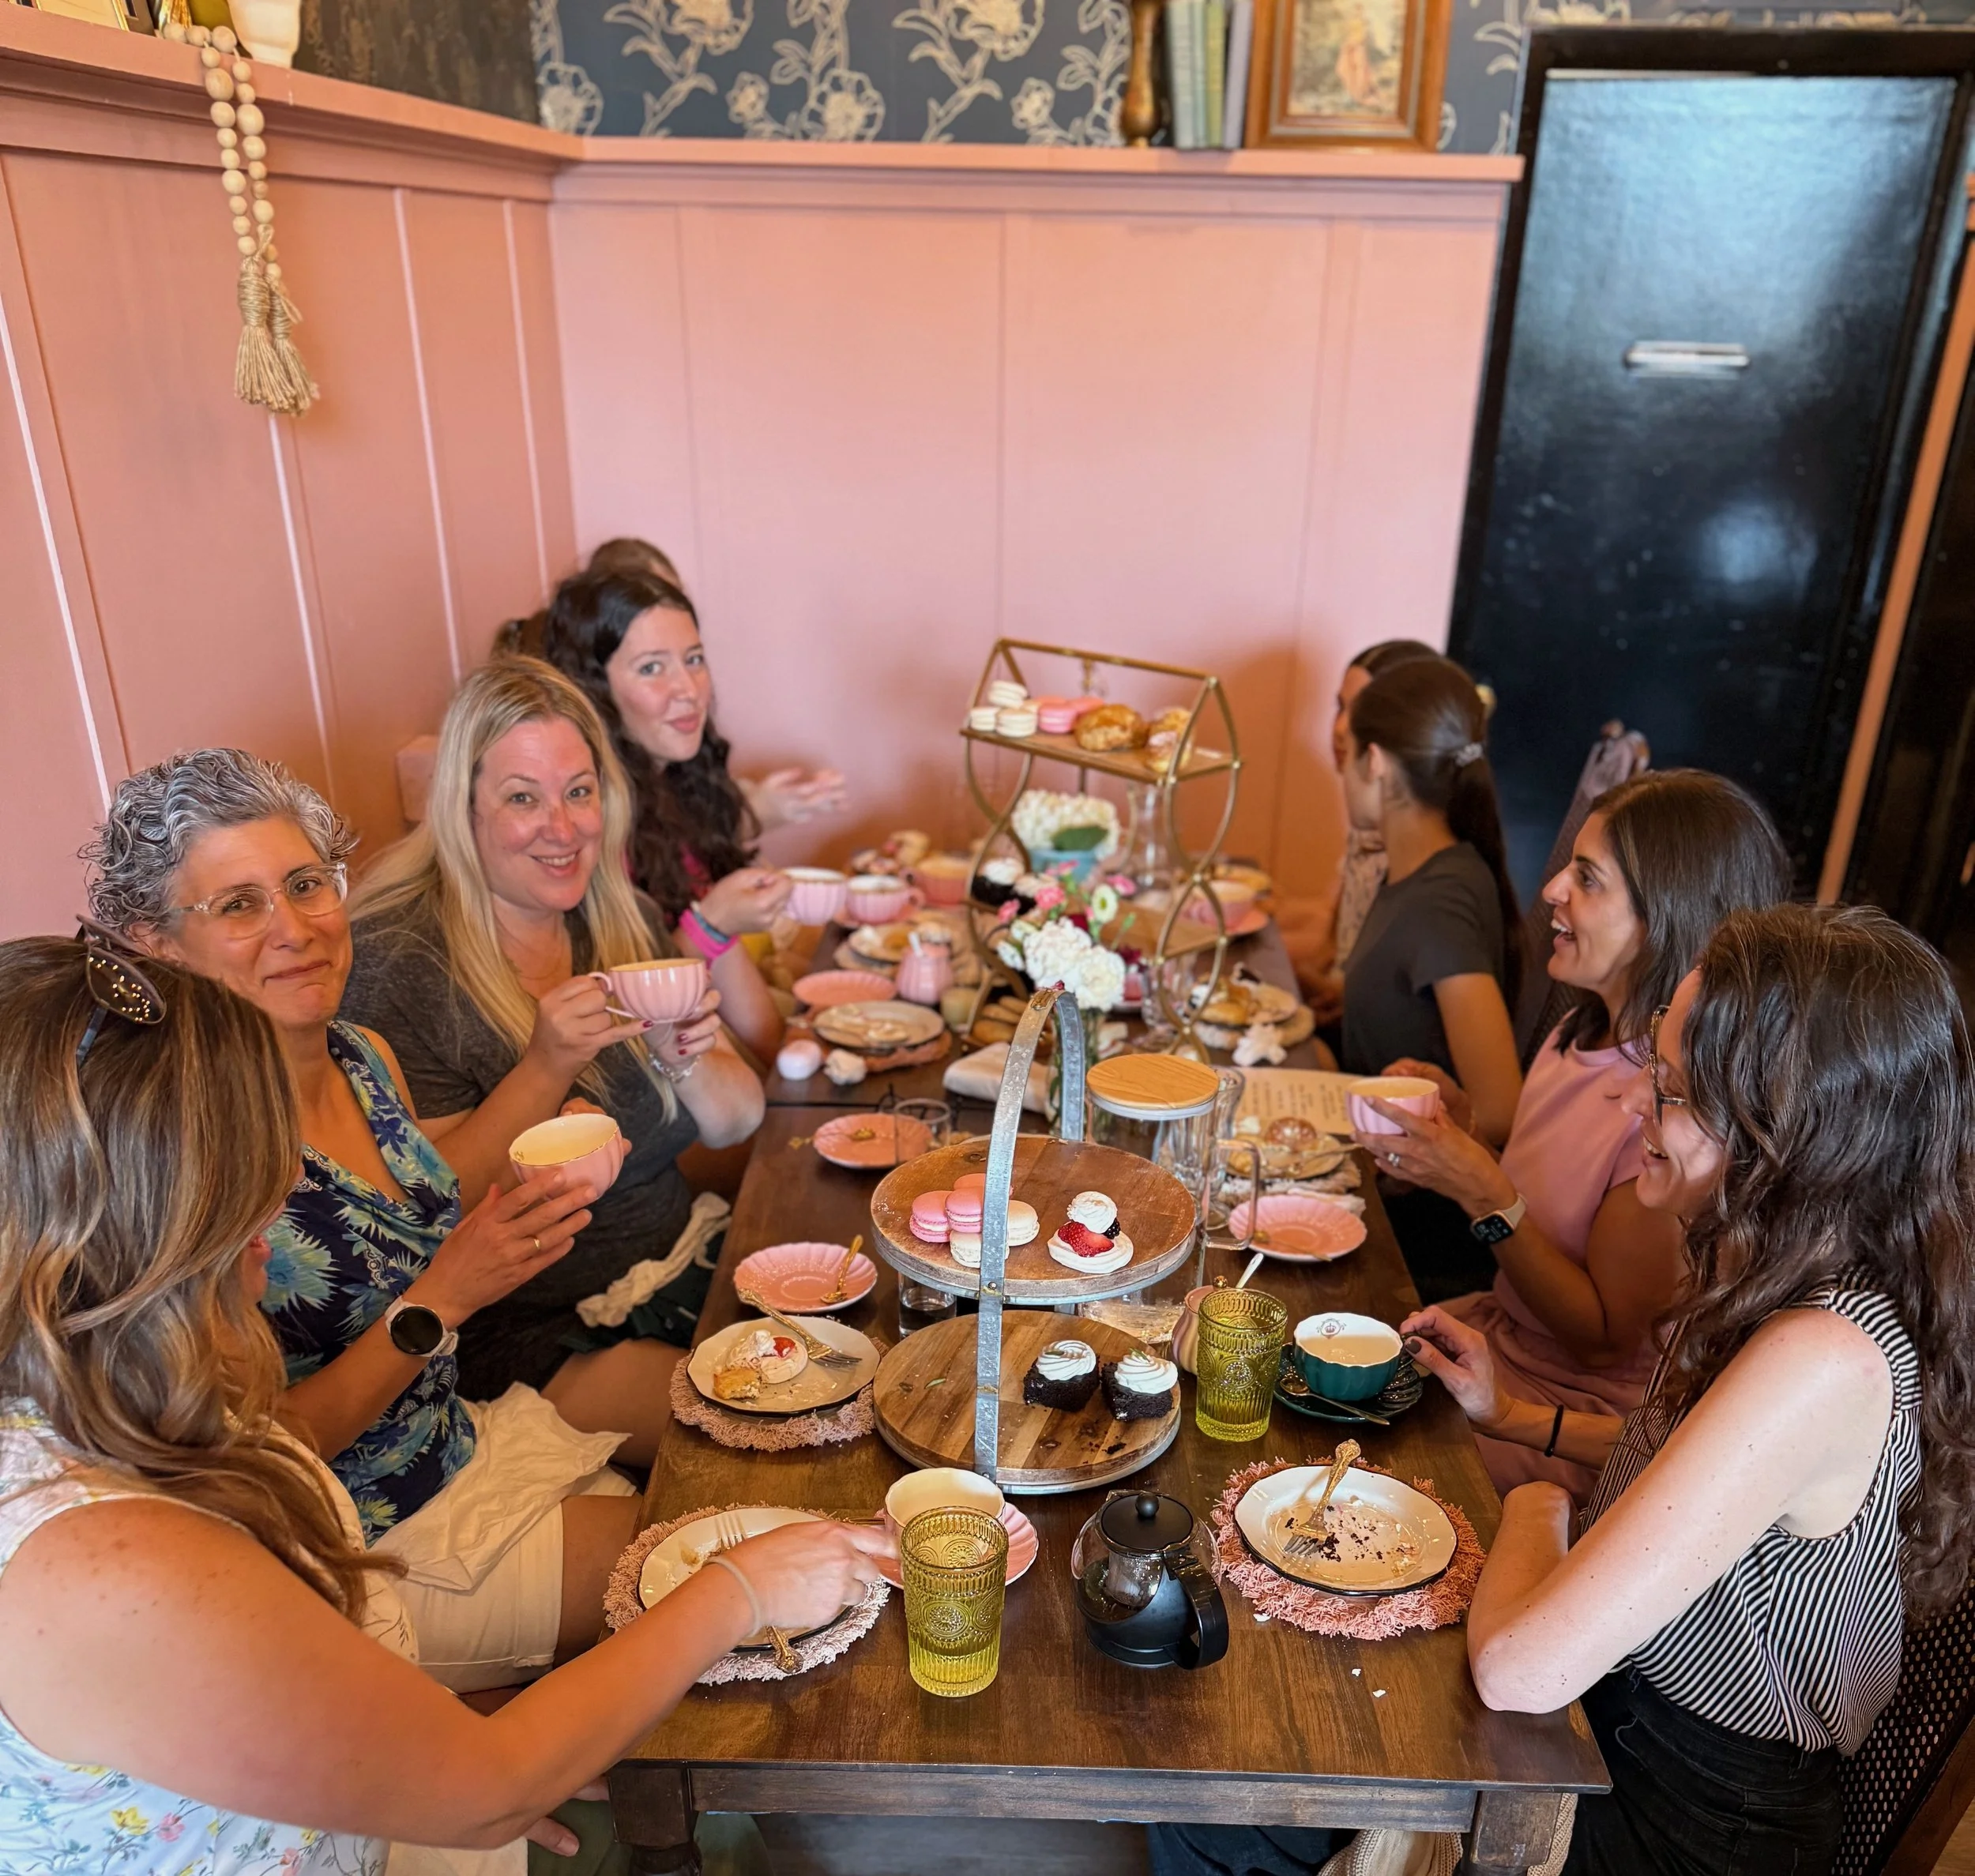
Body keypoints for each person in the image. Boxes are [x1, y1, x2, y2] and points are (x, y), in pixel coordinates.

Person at [0, 934, 888, 1874]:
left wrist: (447, 1728)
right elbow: (485, 1789)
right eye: (243, 1166)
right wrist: (740, 1588)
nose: (281, 1207)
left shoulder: (129, 1373)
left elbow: (266, 1674)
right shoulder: (99, 1558)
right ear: (132, 1215)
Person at [1407, 904, 1975, 1874]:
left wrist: (1538, 1504)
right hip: (1630, 1732)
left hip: (1687, 1818)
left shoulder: (1822, 1352)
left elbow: (1519, 1669)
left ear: (1781, 1129)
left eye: (1667, 1089)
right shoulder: (1789, 1273)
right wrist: (1515, 1416)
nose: (1636, 1109)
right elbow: (1703, 1477)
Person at [83, 747, 657, 1694]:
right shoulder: (188, 1154)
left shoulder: (362, 1054)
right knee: (708, 1561)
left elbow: (432, 1196)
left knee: (724, 1490)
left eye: (306, 883)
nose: (296, 929)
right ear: (155, 943)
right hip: (359, 1545)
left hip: (462, 1444)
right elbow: (255, 1459)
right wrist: (444, 1295)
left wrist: (526, 1197)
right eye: (238, 905)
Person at [343, 657, 766, 1427]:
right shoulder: (398, 962)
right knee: (761, 1421)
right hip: (535, 1331)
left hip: (682, 1259)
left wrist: (685, 1055)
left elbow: (739, 1118)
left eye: (578, 790)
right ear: (462, 810)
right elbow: (432, 1206)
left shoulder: (613, 912)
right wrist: (544, 1065)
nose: (564, 828)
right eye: (522, 799)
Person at [1355, 772, 1793, 1498]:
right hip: (1499, 1337)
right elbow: (1553, 1201)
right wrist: (1459, 1133)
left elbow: (1599, 1336)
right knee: (1315, 1361)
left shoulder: (1673, 1111)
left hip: (1573, 1404)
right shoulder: (1575, 1031)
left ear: (1665, 917)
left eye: (1587, 879)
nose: (1553, 888)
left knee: (1362, 1462)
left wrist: (1480, 1186)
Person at [534, 561, 805, 1064]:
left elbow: (760, 1027)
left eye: (694, 659)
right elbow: (621, 1007)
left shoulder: (671, 781)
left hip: (715, 1036)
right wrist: (713, 923)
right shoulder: (590, 821)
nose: (689, 689)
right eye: (652, 668)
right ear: (595, 689)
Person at [1337, 654, 1523, 1299]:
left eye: (1346, 752)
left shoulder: (1440, 898)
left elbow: (1498, 1107)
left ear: (1376, 762)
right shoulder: (1416, 871)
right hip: (1378, 1189)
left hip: (1417, 1238)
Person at [1281, 637, 1440, 1024]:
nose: (1338, 729)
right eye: (1339, 706)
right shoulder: (1367, 827)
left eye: (1360, 712)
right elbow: (1331, 935)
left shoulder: (1408, 849)